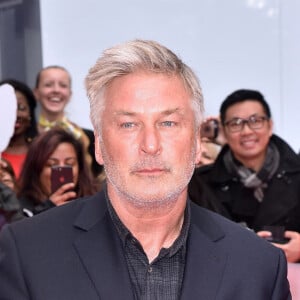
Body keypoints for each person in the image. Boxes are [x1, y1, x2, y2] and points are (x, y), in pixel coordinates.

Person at [0, 40, 291, 299]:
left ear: (197, 143)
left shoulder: (259, 266)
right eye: (128, 124)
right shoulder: (27, 252)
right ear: (99, 144)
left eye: (168, 123)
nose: (150, 145)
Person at [189, 89, 300, 263]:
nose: (247, 131)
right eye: (236, 123)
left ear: (270, 126)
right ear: (224, 131)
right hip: (230, 284)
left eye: (256, 121)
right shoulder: (199, 183)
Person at [34, 65, 103, 178]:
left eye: (63, 85)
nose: (56, 90)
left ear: (70, 94)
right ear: (36, 92)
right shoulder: (27, 138)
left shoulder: (88, 137)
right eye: (48, 85)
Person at [18, 127, 99, 216]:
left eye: (69, 164)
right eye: (52, 164)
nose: (62, 169)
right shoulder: (19, 209)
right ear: (36, 169)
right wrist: (47, 208)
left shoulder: (96, 203)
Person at [0, 79, 38, 178]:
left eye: (21, 108)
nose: (15, 115)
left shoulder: (41, 152)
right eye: (7, 108)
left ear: (30, 114)